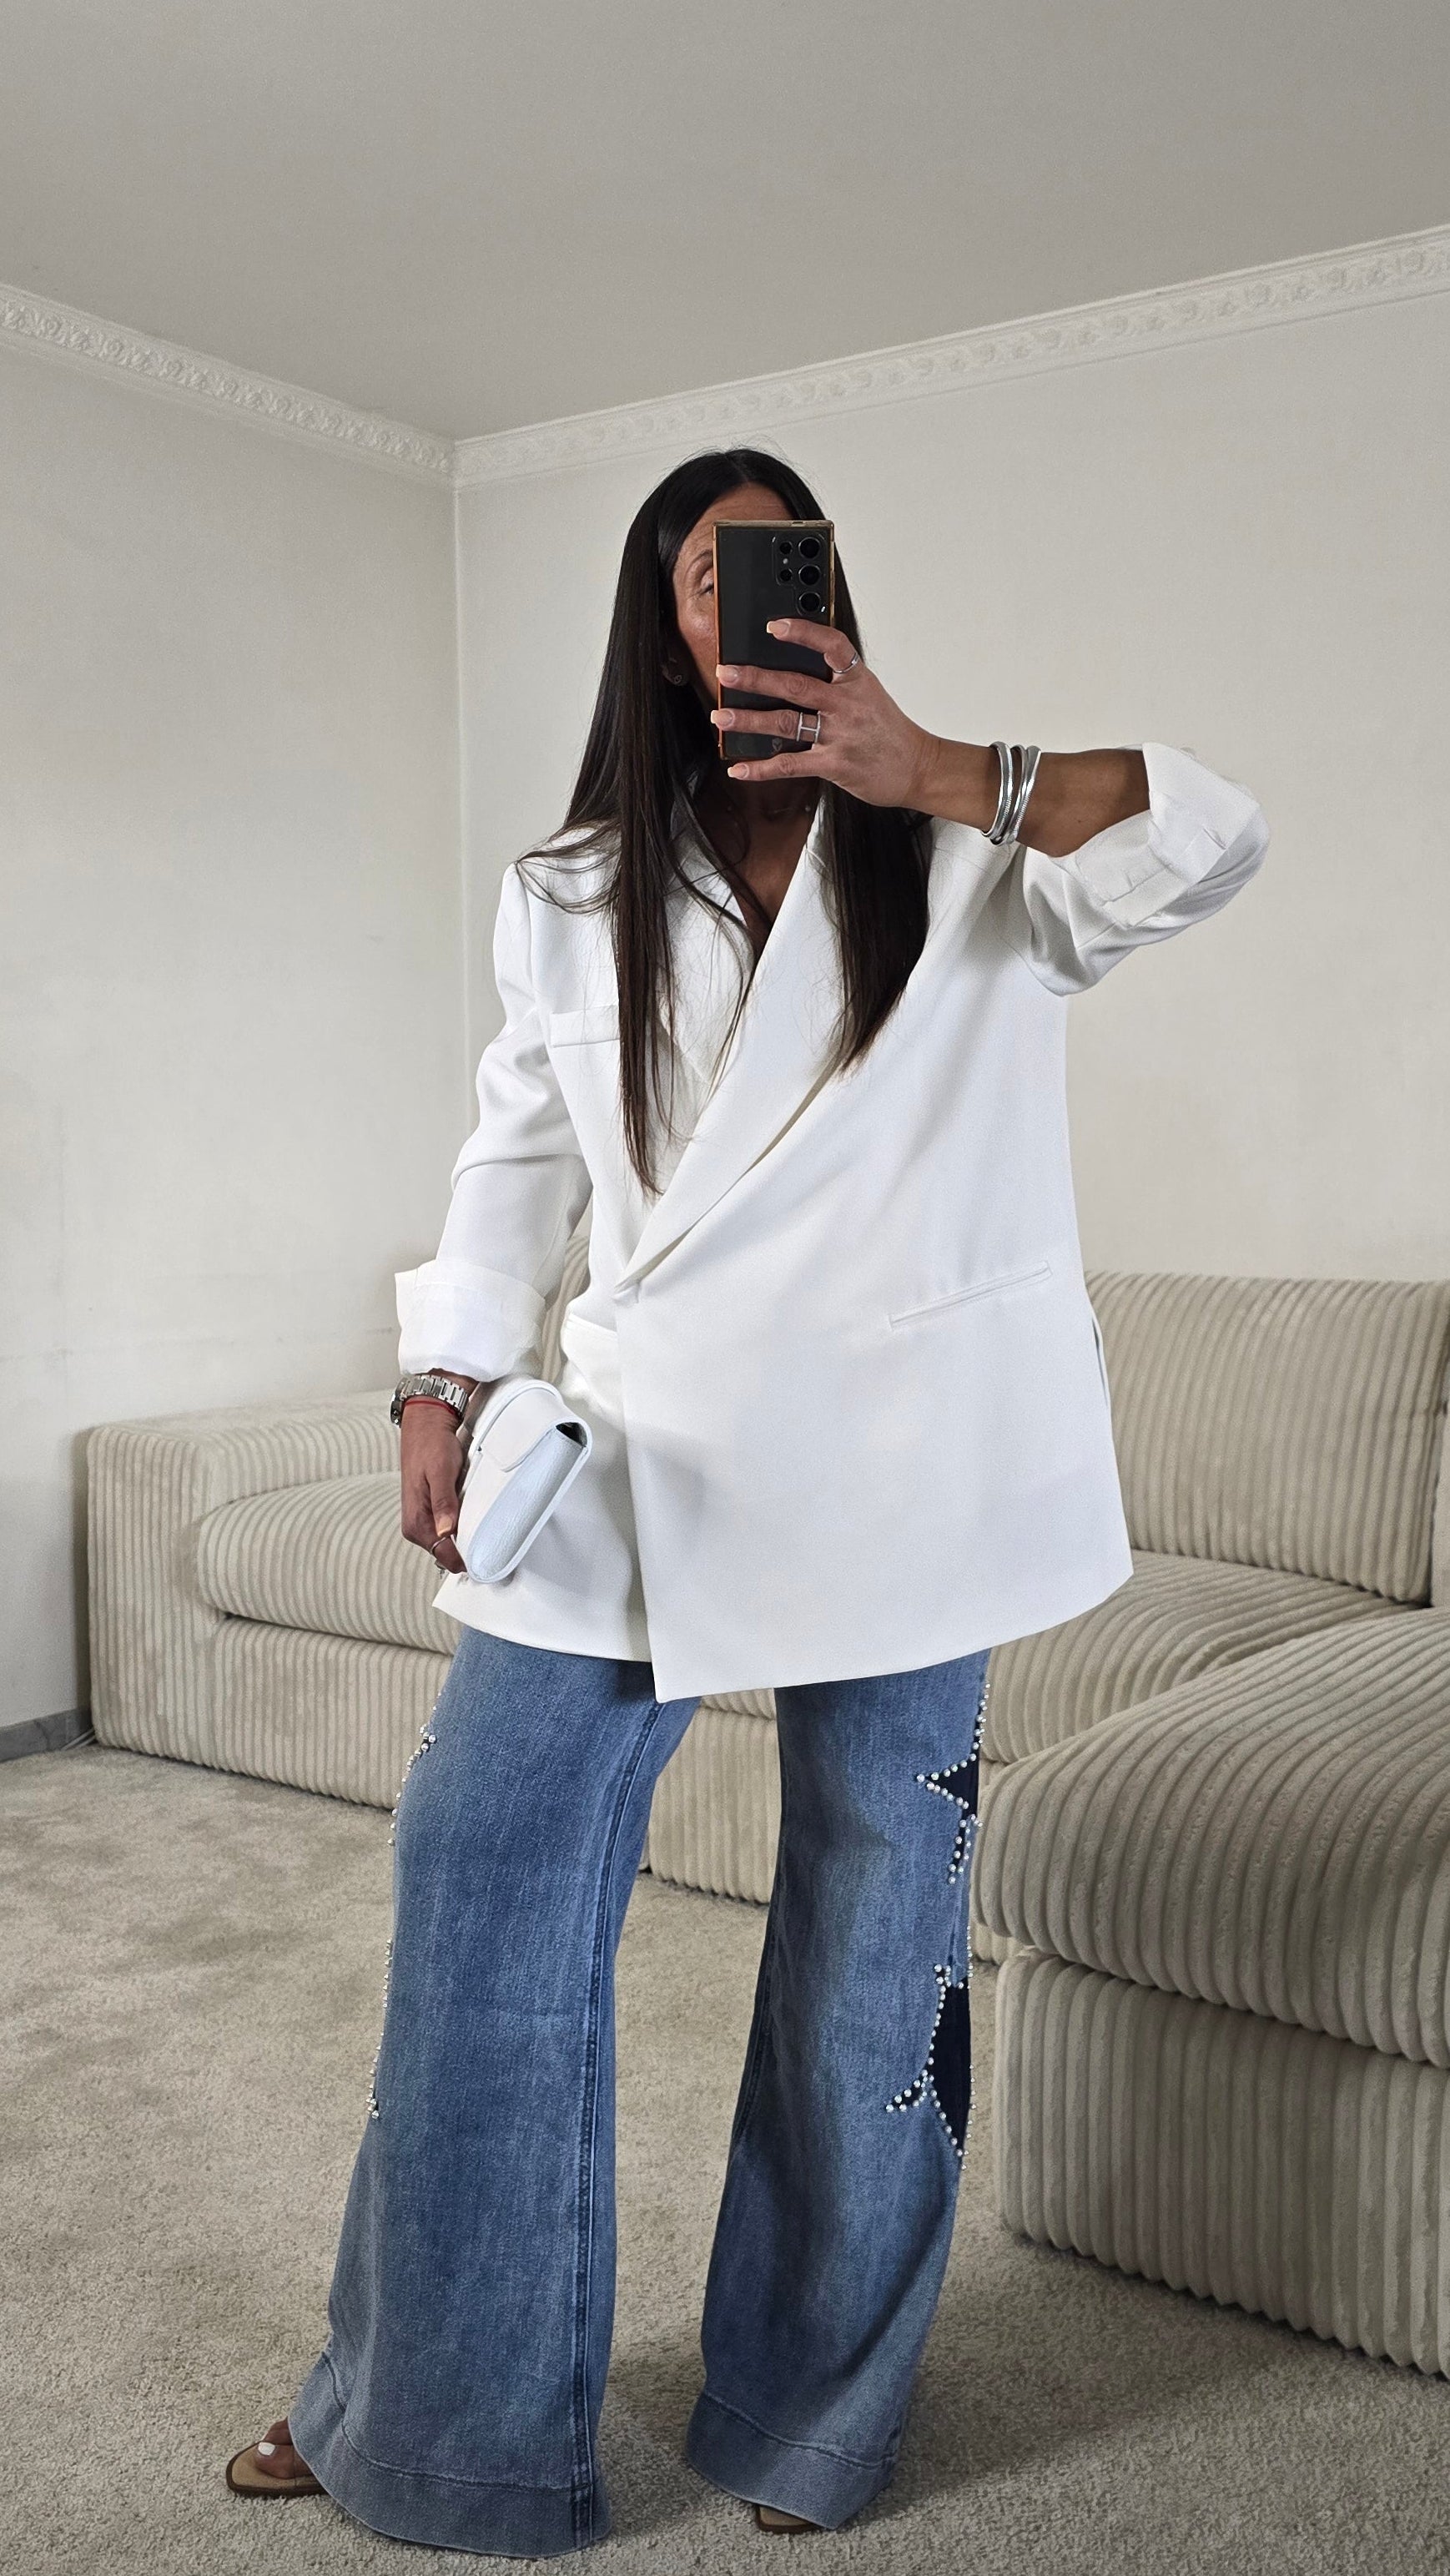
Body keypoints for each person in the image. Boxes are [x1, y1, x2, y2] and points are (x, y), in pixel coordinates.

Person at [225, 448, 1268, 2551]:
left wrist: (936, 762)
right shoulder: (571, 885)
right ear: (660, 617)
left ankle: (808, 2415)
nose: (752, 598)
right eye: (711, 571)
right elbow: (521, 1150)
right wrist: (444, 1370)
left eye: (784, 562)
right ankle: (435, 2412)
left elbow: (1211, 836)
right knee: (478, 1867)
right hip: (644, 1443)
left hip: (909, 1468)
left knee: (876, 1936)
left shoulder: (968, 850)